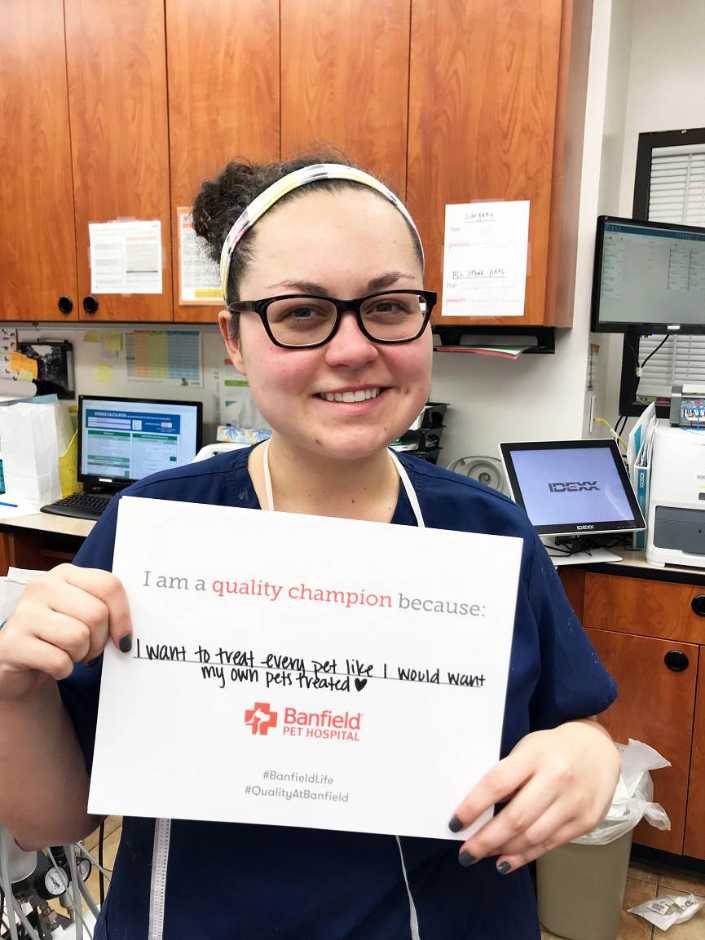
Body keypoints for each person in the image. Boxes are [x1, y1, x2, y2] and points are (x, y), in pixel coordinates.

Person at [0, 153, 620, 939]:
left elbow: (571, 725)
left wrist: (589, 755)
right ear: (233, 338)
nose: (354, 348)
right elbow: (53, 823)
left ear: (426, 321)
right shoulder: (154, 532)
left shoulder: (488, 535)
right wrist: (14, 691)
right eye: (300, 313)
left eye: (389, 306)